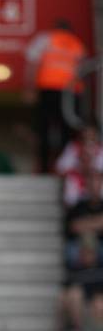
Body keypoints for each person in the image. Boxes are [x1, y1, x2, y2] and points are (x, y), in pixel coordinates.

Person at [24, 19, 87, 173]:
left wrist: (29, 88)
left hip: (48, 90)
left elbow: (32, 64)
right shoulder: (77, 44)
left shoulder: (46, 39)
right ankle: (65, 167)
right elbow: (83, 70)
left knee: (43, 129)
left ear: (55, 29)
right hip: (71, 94)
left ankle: (45, 168)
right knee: (68, 130)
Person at [56, 123, 103, 207]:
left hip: (96, 180)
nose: (88, 139)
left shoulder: (100, 148)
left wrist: (92, 171)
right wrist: (80, 168)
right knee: (70, 182)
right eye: (85, 136)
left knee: (96, 182)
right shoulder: (73, 147)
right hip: (78, 179)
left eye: (91, 136)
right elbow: (61, 168)